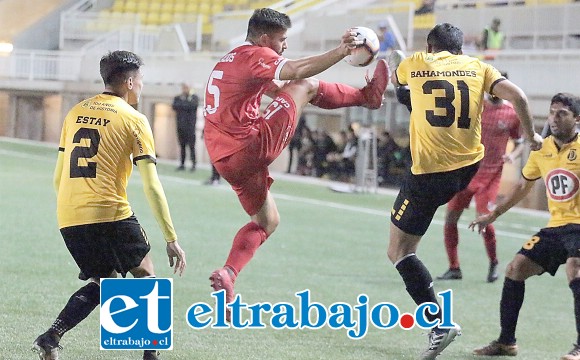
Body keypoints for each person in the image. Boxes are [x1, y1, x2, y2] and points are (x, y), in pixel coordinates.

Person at [203, 8, 388, 322]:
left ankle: (229, 273)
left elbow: (282, 83)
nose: (285, 45)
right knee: (304, 84)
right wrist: (343, 50)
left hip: (224, 159)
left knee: (267, 221)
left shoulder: (232, 59)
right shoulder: (256, 55)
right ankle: (366, 97)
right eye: (282, 39)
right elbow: (298, 71)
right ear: (265, 39)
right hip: (248, 147)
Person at [388, 23, 542, 359]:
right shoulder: (479, 67)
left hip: (430, 174)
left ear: (431, 48)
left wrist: (388, 66)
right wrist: (530, 137)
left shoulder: (418, 61)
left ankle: (439, 325)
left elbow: (397, 78)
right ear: (460, 48)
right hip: (468, 168)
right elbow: (520, 97)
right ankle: (455, 270)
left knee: (399, 251)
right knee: (413, 98)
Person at [31, 50, 187, 360]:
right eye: (140, 80)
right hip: (110, 211)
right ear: (130, 81)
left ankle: (51, 337)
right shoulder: (134, 119)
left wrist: (73, 210)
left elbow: (58, 177)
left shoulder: (74, 112)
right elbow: (151, 184)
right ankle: (150, 356)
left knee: (106, 283)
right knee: (145, 275)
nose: (141, 86)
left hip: (69, 214)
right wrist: (171, 238)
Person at [472, 92, 580, 360]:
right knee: (516, 268)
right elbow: (522, 186)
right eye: (552, 112)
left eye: (562, 113)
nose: (554, 118)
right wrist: (492, 214)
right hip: (556, 227)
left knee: (574, 268)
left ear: (577, 118)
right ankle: (506, 342)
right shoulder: (542, 149)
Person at [437, 84, 525, 283]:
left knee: (485, 220)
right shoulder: (476, 107)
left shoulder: (511, 113)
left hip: (491, 175)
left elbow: (520, 141)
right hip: (466, 172)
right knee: (451, 217)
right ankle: (454, 267)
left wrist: (512, 155)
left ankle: (493, 261)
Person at [172, 83, 199, 171]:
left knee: (191, 147)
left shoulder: (194, 98)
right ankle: (182, 164)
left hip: (190, 127)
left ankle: (193, 164)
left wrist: (184, 104)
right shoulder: (178, 98)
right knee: (182, 146)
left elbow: (192, 106)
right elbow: (175, 106)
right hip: (180, 126)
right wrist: (185, 104)